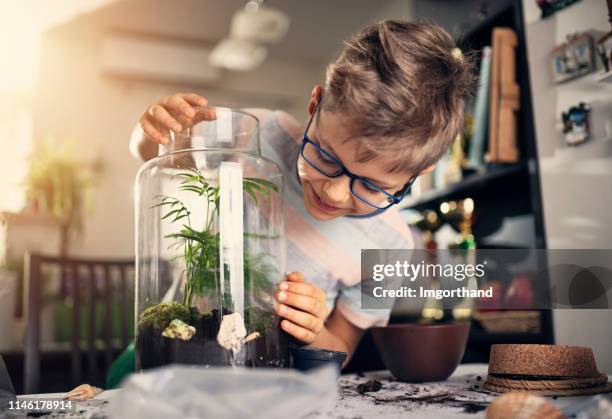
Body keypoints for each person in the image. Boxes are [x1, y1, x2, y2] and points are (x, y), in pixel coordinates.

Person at [129, 19, 474, 366]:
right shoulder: (260, 132)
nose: (335, 193)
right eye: (325, 155)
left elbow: (341, 349)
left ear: (419, 172)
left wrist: (312, 330)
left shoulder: (390, 245)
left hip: (267, 375)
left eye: (371, 185)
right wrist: (155, 128)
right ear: (314, 105)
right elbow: (149, 154)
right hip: (177, 347)